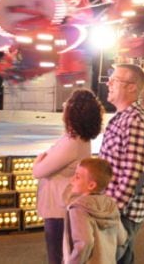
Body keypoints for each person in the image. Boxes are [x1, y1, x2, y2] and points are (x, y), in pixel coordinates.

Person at [33, 89, 104, 264]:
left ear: (72, 113)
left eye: (67, 104)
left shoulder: (71, 144)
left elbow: (38, 171)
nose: (64, 106)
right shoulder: (79, 139)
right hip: (63, 206)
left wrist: (38, 161)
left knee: (58, 256)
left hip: (59, 209)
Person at [99, 64, 144, 264]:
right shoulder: (124, 118)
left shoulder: (135, 121)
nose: (109, 83)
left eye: (115, 80)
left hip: (121, 213)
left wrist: (108, 211)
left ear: (132, 87)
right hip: (117, 210)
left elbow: (133, 174)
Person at [64, 158, 127, 264]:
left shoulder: (79, 208)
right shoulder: (111, 204)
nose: (72, 179)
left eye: (77, 177)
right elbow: (122, 238)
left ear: (91, 185)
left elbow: (84, 242)